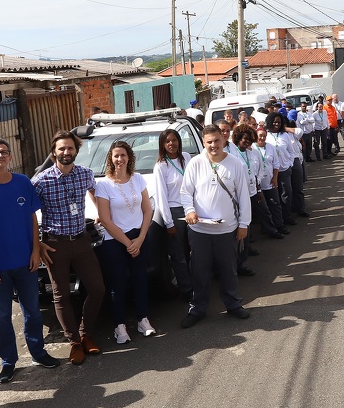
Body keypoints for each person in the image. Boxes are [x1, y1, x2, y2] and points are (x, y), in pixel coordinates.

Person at [0, 139, 60, 385]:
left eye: (4, 152)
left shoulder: (22, 183)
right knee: (1, 316)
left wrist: (35, 251)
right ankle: (8, 362)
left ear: (10, 157)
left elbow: (32, 218)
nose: (0, 156)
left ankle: (38, 353)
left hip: (25, 262)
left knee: (32, 311)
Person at [32, 131, 106, 365]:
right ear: (54, 152)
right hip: (55, 245)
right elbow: (29, 215)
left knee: (97, 289)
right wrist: (38, 243)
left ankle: (86, 334)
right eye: (61, 149)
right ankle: (74, 342)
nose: (66, 152)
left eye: (70, 148)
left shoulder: (85, 174)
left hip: (82, 240)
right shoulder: (41, 181)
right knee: (60, 294)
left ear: (76, 150)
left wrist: (101, 215)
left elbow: (96, 193)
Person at [179, 124, 253, 328]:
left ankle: (233, 304)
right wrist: (189, 211)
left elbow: (243, 197)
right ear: (203, 142)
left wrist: (244, 224)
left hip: (227, 229)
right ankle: (198, 308)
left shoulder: (235, 164)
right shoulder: (195, 163)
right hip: (199, 230)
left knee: (228, 270)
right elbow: (186, 193)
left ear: (223, 140)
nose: (213, 145)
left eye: (216, 141)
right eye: (209, 142)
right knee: (199, 271)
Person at [94, 140, 155, 345]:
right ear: (110, 158)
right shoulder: (103, 185)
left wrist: (141, 238)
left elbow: (148, 210)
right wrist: (129, 243)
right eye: (116, 156)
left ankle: (142, 320)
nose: (119, 159)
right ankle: (119, 326)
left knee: (140, 280)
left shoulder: (138, 179)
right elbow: (105, 219)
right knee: (117, 284)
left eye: (123, 155)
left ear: (129, 157)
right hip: (115, 241)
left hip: (139, 236)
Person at [153, 128, 194, 300]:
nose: (171, 144)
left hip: (192, 210)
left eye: (174, 140)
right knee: (178, 256)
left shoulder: (187, 157)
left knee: (195, 252)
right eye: (167, 141)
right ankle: (187, 291)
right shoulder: (161, 166)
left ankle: (198, 284)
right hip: (175, 213)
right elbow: (161, 197)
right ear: (163, 144)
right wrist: (168, 223)